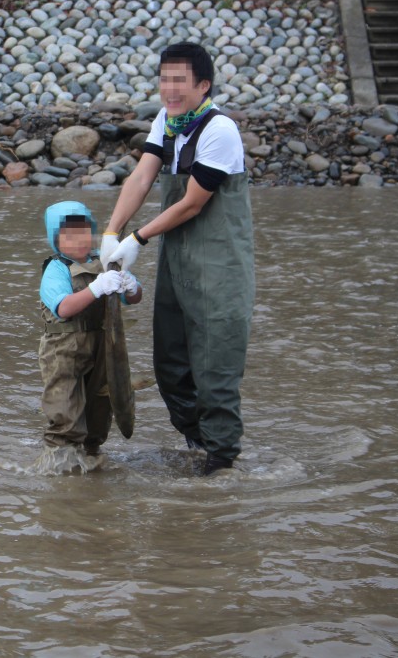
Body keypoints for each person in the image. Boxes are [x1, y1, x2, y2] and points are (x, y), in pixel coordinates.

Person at [102, 42, 255, 476]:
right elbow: (142, 175)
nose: (169, 89)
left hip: (220, 268)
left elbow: (192, 203)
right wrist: (112, 230)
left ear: (203, 85)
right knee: (170, 368)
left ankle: (222, 465)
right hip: (178, 263)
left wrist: (138, 238)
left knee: (215, 374)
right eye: (164, 79)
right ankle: (199, 446)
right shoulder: (168, 121)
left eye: (179, 81)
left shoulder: (218, 129)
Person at [34, 201, 142, 474]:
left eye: (84, 232)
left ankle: (91, 462)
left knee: (99, 409)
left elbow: (135, 299)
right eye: (69, 234)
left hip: (101, 348)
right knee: (64, 410)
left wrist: (130, 286)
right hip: (63, 352)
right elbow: (64, 307)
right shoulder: (56, 269)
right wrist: (97, 288)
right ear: (56, 239)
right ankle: (59, 469)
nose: (79, 239)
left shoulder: (103, 262)